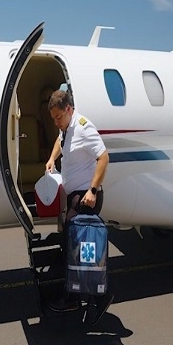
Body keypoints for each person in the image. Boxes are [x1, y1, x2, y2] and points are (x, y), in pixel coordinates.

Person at [45, 89, 112, 324]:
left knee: (80, 250)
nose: (56, 122)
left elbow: (104, 157)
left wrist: (92, 190)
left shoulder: (83, 127)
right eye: (53, 118)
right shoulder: (65, 128)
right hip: (74, 196)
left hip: (86, 199)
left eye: (58, 117)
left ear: (69, 110)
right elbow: (60, 141)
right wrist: (53, 158)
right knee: (76, 248)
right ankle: (88, 296)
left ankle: (86, 296)